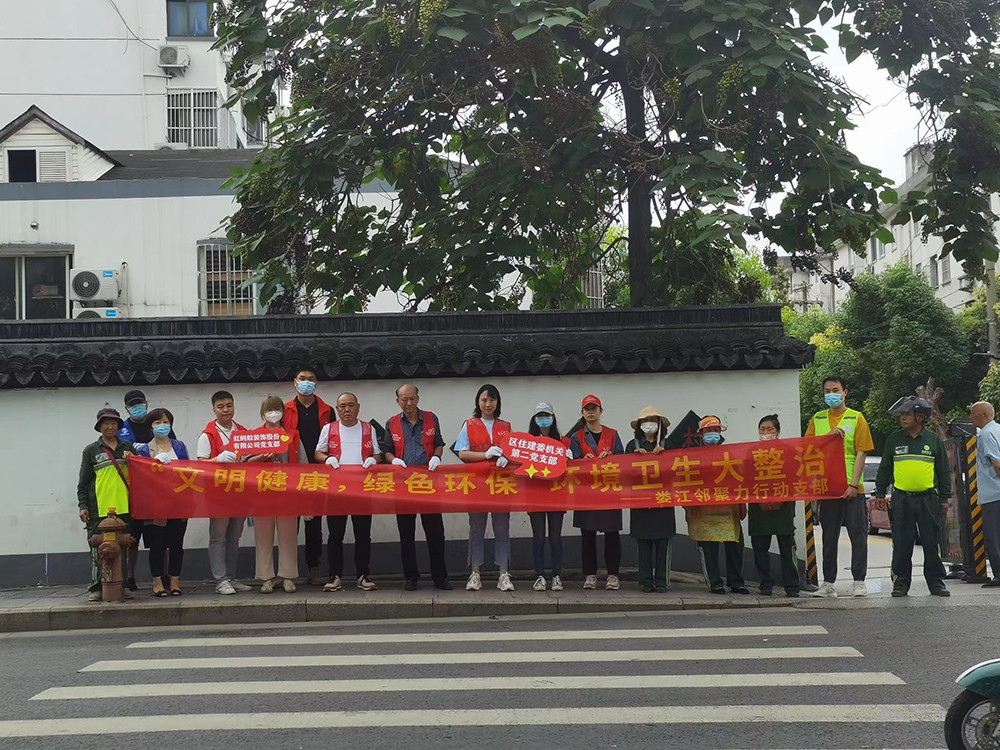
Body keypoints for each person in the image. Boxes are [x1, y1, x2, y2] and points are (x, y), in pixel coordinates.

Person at [873, 396, 952, 597]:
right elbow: (884, 468)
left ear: (920, 416)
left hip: (928, 499)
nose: (903, 418)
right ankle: (900, 582)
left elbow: (943, 472)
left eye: (907, 414)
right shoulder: (894, 439)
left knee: (931, 543)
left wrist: (944, 499)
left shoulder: (933, 440)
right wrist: (880, 493)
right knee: (901, 543)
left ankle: (936, 583)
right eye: (901, 414)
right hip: (902, 500)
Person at [806, 376, 874, 598]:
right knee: (829, 537)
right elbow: (807, 449)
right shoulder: (817, 419)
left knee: (858, 535)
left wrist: (853, 485)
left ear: (845, 392)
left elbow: (861, 452)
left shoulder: (856, 418)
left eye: (835, 390)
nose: (831, 394)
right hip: (827, 488)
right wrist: (828, 437)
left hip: (852, 487)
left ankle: (859, 580)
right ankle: (828, 583)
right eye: (827, 391)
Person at [383, 383, 452, 590]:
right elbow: (387, 451)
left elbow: (439, 443)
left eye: (412, 398)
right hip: (403, 484)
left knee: (435, 532)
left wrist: (437, 457)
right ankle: (411, 577)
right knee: (406, 533)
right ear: (397, 401)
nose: (409, 403)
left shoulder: (431, 418)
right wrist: (394, 460)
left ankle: (440, 577)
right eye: (404, 399)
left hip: (428, 483)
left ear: (418, 398)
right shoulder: (392, 423)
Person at [315, 392, 382, 593]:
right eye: (342, 406)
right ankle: (335, 576)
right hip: (336, 490)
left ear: (358, 407)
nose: (347, 410)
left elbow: (378, 454)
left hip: (362, 489)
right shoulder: (329, 428)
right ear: (337, 409)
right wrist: (327, 459)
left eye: (351, 405)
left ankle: (363, 575)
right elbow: (318, 452)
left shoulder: (368, 428)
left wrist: (373, 460)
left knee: (363, 534)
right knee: (335, 534)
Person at [455, 384, 514, 592]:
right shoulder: (469, 424)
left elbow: (514, 452)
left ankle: (503, 574)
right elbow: (462, 453)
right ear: (478, 402)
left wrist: (507, 458)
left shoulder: (506, 426)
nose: (488, 404)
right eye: (484, 400)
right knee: (477, 530)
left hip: (501, 485)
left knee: (502, 529)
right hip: (477, 485)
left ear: (498, 402)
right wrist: (485, 455)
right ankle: (475, 573)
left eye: (492, 400)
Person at [196, 390, 252, 596]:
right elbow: (201, 465)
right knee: (218, 536)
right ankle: (220, 580)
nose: (226, 410)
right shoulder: (207, 435)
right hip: (218, 494)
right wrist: (218, 459)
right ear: (214, 409)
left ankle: (231, 577)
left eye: (229, 405)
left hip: (240, 492)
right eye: (221, 407)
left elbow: (249, 460)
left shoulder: (243, 431)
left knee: (234, 536)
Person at [116, 389, 174, 591]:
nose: (137, 408)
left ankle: (162, 575)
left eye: (140, 403)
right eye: (133, 405)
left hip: (157, 491)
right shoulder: (121, 430)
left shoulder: (159, 425)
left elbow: (174, 455)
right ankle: (130, 576)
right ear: (127, 408)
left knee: (160, 537)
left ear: (147, 403)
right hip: (132, 491)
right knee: (132, 538)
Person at [247, 395, 305, 594]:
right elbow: (243, 463)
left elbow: (303, 463)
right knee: (263, 536)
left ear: (283, 412)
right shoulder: (254, 435)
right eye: (268, 410)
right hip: (262, 492)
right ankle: (266, 578)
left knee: (288, 536)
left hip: (287, 492)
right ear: (262, 413)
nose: (273, 413)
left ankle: (287, 576)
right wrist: (261, 457)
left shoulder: (293, 435)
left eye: (276, 409)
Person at [77, 408, 136, 602]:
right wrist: (83, 506)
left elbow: (140, 474)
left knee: (123, 547)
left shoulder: (127, 446)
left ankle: (121, 586)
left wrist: (133, 459)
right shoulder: (91, 450)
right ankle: (96, 587)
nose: (110, 427)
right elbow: (83, 482)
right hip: (98, 509)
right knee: (98, 549)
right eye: (106, 423)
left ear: (118, 426)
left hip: (124, 507)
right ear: (99, 426)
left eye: (113, 423)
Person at [282, 367, 334, 586]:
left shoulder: (327, 410)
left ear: (316, 382)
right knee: (289, 524)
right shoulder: (285, 409)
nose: (306, 383)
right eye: (302, 379)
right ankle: (288, 571)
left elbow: (334, 439)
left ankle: (314, 568)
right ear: (295, 382)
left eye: (311, 379)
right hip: (292, 473)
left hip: (318, 472)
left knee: (314, 525)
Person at [686, 416, 749, 595]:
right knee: (708, 547)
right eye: (708, 431)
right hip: (703, 509)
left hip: (728, 509)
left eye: (715, 430)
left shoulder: (730, 454)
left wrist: (742, 503)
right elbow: (686, 484)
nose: (712, 434)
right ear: (701, 434)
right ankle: (714, 582)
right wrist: (687, 507)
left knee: (735, 545)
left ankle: (736, 581)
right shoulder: (693, 457)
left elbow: (739, 480)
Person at [568, 394, 624, 590]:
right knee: (588, 535)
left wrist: (611, 457)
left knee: (612, 534)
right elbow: (572, 462)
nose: (591, 412)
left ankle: (613, 575)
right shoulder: (576, 437)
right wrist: (584, 461)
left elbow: (622, 460)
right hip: (587, 492)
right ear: (582, 413)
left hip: (609, 490)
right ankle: (590, 575)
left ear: (601, 411)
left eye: (594, 408)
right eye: (587, 409)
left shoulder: (613, 434)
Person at [133, 407, 189, 597]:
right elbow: (140, 476)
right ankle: (157, 580)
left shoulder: (179, 446)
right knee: (157, 544)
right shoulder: (143, 449)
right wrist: (153, 463)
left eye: (166, 422)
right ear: (151, 427)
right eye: (157, 422)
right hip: (155, 503)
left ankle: (175, 580)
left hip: (178, 501)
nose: (162, 426)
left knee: (176, 543)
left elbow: (189, 471)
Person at [747, 415, 799, 598]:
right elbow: (746, 478)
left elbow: (794, 476)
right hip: (758, 507)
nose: (766, 432)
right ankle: (766, 584)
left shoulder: (788, 451)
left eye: (769, 429)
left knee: (787, 549)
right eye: (762, 429)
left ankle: (792, 586)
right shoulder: (751, 452)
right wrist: (760, 500)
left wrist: (780, 498)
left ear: (778, 431)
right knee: (760, 549)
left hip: (783, 507)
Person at [626, 406, 675, 593]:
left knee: (663, 544)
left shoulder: (669, 445)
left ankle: (661, 581)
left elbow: (678, 471)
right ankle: (646, 580)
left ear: (660, 424)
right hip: (641, 502)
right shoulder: (632, 446)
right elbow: (624, 472)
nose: (649, 424)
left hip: (663, 502)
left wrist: (666, 457)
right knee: (644, 544)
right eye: (646, 421)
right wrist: (634, 458)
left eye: (653, 420)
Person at [527, 402, 565, 591]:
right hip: (535, 496)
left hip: (557, 495)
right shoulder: (528, 443)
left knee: (555, 538)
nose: (543, 419)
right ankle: (539, 575)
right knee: (539, 538)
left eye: (547, 415)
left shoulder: (563, 442)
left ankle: (557, 575)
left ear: (553, 418)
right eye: (540, 416)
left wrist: (570, 457)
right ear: (534, 419)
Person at [970, 401, 1000, 588]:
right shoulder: (998, 430)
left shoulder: (986, 435)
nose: (970, 417)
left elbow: (997, 465)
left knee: (994, 537)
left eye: (973, 413)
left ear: (983, 414)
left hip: (993, 494)